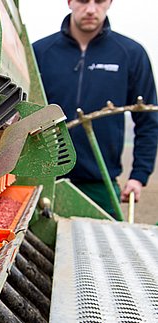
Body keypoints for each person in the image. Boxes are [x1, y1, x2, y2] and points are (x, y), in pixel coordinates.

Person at [32, 0, 158, 219]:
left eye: (99, 1)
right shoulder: (39, 52)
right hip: (42, 181)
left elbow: (148, 121)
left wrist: (139, 175)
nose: (91, 9)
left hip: (101, 186)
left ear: (109, 2)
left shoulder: (131, 54)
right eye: (83, 0)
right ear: (70, 2)